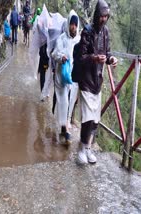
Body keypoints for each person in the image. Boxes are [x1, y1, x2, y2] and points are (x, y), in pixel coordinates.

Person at [76, 0, 117, 164]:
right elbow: (81, 57)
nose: (104, 19)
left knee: (95, 119)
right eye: (101, 16)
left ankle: (88, 148)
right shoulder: (87, 31)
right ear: (96, 15)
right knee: (86, 118)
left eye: (106, 16)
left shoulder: (106, 32)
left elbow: (107, 53)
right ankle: (81, 149)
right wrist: (94, 58)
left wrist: (111, 59)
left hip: (97, 81)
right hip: (86, 81)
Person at [51, 10, 80, 145]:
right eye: (71, 24)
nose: (73, 27)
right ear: (68, 24)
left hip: (73, 77)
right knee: (63, 101)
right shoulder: (61, 38)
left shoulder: (79, 40)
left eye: (75, 24)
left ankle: (65, 126)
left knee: (69, 102)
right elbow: (54, 53)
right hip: (61, 75)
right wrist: (61, 57)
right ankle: (65, 127)